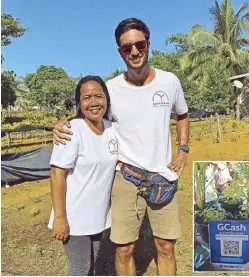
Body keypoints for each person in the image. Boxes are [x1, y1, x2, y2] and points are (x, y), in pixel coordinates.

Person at [53, 18, 189, 276]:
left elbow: (182, 114)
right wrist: (60, 125)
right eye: (127, 48)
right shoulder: (111, 89)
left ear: (148, 45)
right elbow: (90, 115)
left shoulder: (170, 82)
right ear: (119, 51)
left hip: (164, 176)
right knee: (124, 249)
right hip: (126, 177)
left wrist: (183, 149)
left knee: (166, 246)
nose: (134, 52)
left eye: (139, 44)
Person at [48, 75, 118, 276]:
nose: (94, 102)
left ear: (106, 99)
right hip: (74, 216)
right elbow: (56, 174)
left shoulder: (112, 129)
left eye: (99, 96)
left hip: (98, 216)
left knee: (93, 266)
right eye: (87, 98)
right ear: (79, 103)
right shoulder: (72, 130)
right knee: (80, 269)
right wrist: (60, 218)